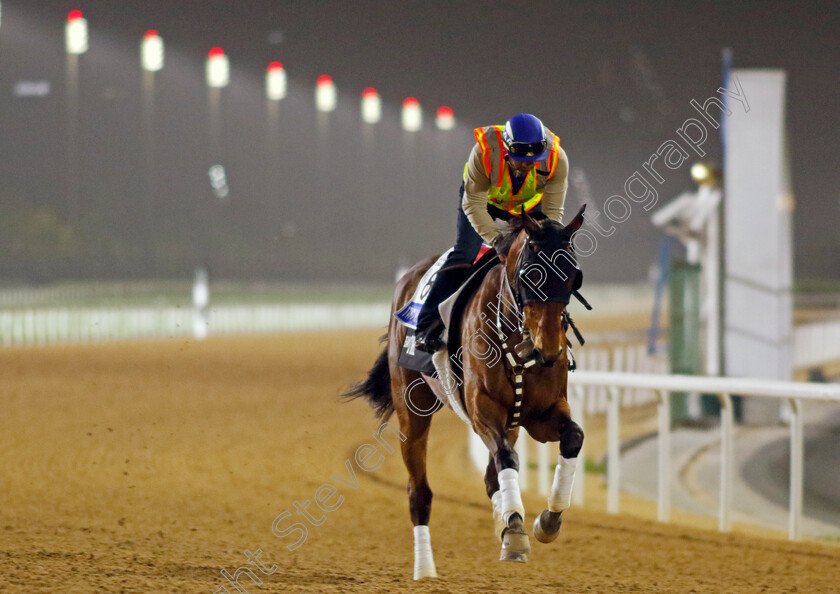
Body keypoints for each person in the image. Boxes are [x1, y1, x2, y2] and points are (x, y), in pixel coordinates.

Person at [413, 113, 570, 353]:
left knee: (545, 258)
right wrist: (497, 241)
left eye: (535, 159)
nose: (530, 165)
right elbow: (473, 204)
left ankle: (549, 322)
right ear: (507, 151)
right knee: (465, 253)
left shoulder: (557, 158)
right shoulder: (483, 152)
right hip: (483, 202)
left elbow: (552, 212)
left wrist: (545, 243)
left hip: (527, 208)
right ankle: (426, 326)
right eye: (522, 160)